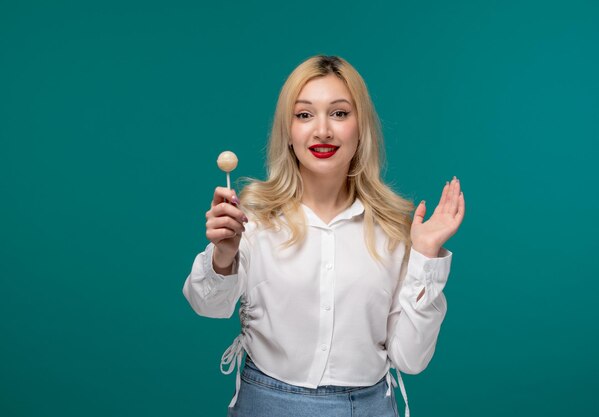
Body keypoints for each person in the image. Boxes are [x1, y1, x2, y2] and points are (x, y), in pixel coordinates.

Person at [182, 55, 465, 417]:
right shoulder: (252, 219)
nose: (322, 131)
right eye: (304, 115)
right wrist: (223, 255)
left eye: (339, 113)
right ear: (287, 131)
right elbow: (207, 306)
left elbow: (410, 359)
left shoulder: (395, 230)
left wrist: (425, 256)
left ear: (360, 128)